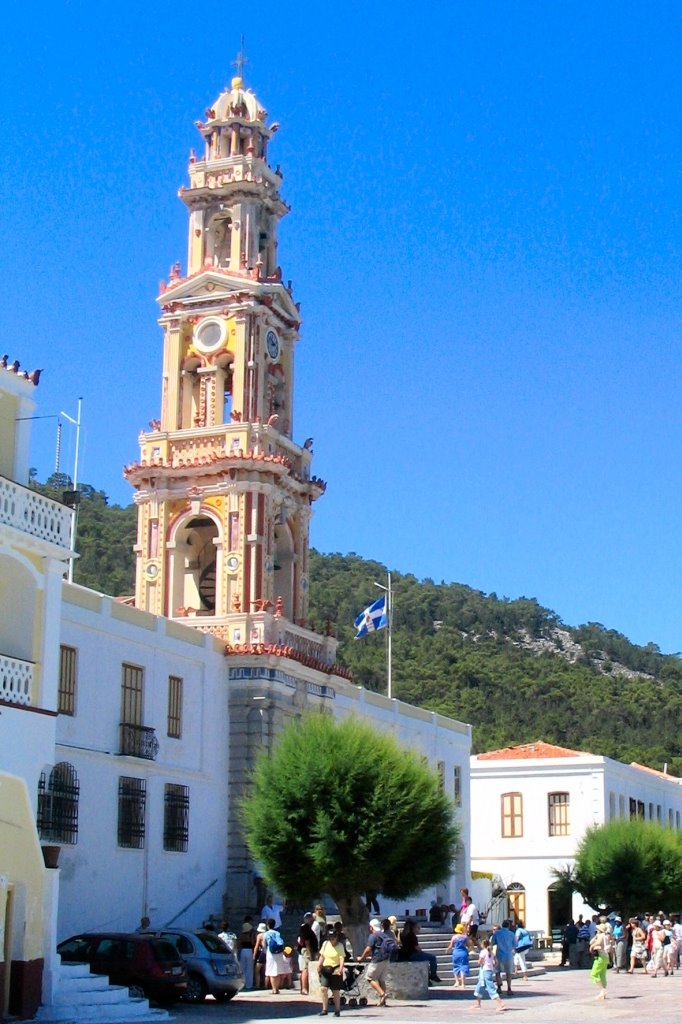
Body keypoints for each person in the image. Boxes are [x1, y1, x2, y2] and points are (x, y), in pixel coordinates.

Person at [357, 917, 393, 1007]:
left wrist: (361, 958)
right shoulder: (384, 934)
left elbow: (368, 949)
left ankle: (382, 994)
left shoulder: (373, 936)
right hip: (386, 959)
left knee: (369, 977)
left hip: (377, 959)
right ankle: (383, 1002)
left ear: (371, 927)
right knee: (381, 979)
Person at [317, 924, 346, 1017]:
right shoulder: (325, 944)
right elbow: (322, 956)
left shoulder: (340, 946)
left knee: (335, 990)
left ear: (336, 938)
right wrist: (319, 965)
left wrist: (340, 969)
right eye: (330, 938)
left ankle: (337, 1010)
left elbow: (341, 958)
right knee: (323, 988)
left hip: (335, 968)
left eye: (333, 938)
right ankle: (324, 1009)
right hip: (326, 968)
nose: (332, 940)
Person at [471, 938, 506, 1012]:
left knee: (490, 987)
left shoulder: (483, 952)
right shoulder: (491, 952)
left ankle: (501, 1004)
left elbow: (479, 961)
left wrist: (481, 962)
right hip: (489, 970)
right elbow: (496, 962)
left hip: (484, 970)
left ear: (483, 945)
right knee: (480, 986)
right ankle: (478, 1003)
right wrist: (492, 966)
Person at [263, 917, 287, 994]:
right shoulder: (278, 933)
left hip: (270, 953)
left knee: (272, 971)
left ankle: (274, 989)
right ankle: (277, 988)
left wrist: (265, 952)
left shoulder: (266, 934)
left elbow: (264, 945)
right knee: (277, 970)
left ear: (267, 925)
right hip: (279, 952)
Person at [297, 911, 319, 995]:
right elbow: (307, 942)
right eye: (311, 920)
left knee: (306, 969)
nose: (313, 921)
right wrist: (310, 955)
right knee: (305, 968)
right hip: (307, 951)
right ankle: (304, 988)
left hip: (309, 950)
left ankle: (305, 987)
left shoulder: (307, 928)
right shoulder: (305, 928)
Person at [492, 920, 515, 997]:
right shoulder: (511, 934)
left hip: (499, 954)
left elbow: (493, 943)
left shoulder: (497, 933)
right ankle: (509, 988)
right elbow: (515, 944)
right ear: (508, 926)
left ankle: (499, 987)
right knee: (509, 973)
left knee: (497, 971)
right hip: (508, 955)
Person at [589, 921, 611, 1000]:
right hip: (605, 957)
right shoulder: (604, 936)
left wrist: (591, 947)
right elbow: (592, 941)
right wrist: (595, 937)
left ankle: (603, 990)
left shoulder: (601, 936)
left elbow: (596, 943)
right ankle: (602, 994)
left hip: (600, 957)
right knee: (602, 975)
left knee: (593, 974)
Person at [446, 922, 470, 990]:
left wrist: (447, 950)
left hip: (456, 953)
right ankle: (463, 984)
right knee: (463, 967)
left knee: (456, 967)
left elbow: (451, 946)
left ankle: (456, 981)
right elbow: (468, 945)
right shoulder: (465, 937)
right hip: (463, 953)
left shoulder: (454, 937)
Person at [238, 921, 255, 989]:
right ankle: (249, 985)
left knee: (242, 967)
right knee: (249, 968)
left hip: (243, 950)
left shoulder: (241, 935)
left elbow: (239, 943)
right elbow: (253, 943)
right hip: (249, 950)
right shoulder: (250, 935)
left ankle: (242, 984)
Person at [253, 922, 268, 989]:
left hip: (262, 953)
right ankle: (265, 985)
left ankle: (257, 985)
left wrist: (254, 955)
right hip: (268, 953)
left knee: (257, 970)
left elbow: (256, 946)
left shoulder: (260, 935)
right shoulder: (268, 934)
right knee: (265, 971)